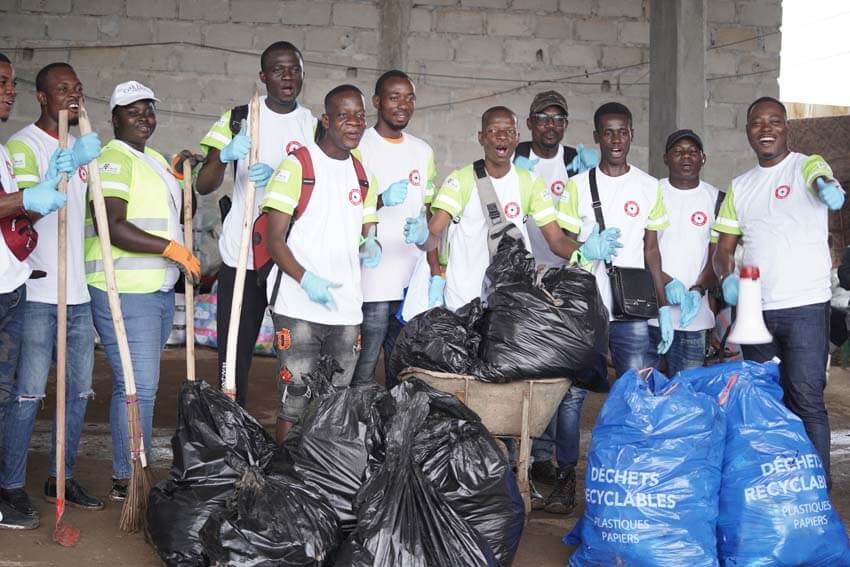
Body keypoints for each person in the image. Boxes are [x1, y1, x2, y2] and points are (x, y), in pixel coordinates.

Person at [713, 96, 842, 484]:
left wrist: (827, 186)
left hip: (805, 308)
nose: (765, 128)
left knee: (806, 400)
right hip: (756, 313)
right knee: (765, 403)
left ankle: (814, 491)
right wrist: (725, 279)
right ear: (748, 131)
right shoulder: (740, 186)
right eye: (757, 122)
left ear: (787, 127)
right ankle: (774, 488)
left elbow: (823, 180)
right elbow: (723, 249)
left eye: (774, 121)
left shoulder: (807, 165)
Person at [85, 81, 201, 500]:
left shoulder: (152, 159)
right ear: (114, 118)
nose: (144, 118)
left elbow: (183, 210)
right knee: (138, 386)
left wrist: (185, 178)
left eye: (149, 110)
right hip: (124, 290)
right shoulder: (112, 159)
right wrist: (171, 248)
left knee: (141, 384)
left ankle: (133, 470)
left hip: (156, 288)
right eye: (133, 111)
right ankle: (127, 476)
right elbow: (110, 225)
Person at [0, 62, 104, 525]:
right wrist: (60, 176)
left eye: (78, 88)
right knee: (26, 394)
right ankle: (12, 484)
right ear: (42, 97)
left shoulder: (81, 146)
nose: (73, 96)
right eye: (62, 89)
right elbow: (22, 215)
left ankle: (60, 477)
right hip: (39, 291)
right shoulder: (23, 145)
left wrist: (82, 162)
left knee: (79, 392)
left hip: (77, 293)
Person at [555, 101, 670, 513]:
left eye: (623, 132)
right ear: (597, 136)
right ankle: (565, 478)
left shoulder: (650, 186)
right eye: (608, 132)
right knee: (571, 397)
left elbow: (652, 250)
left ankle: (633, 482)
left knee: (637, 396)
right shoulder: (576, 186)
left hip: (634, 311)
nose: (616, 139)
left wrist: (664, 305)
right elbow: (562, 241)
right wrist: (585, 251)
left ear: (632, 135)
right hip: (585, 309)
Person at [403, 106, 620, 313]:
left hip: (509, 303)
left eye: (509, 131)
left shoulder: (531, 183)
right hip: (463, 299)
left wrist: (584, 251)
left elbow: (557, 241)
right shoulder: (461, 180)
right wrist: (422, 235)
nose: (501, 136)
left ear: (517, 137)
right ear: (481, 137)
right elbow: (432, 238)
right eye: (493, 130)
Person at [196, 41, 317, 407]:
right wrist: (226, 154)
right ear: (263, 76)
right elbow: (204, 183)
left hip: (289, 255)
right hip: (243, 254)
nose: (287, 77)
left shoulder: (312, 125)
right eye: (278, 70)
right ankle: (231, 429)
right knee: (234, 354)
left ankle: (292, 430)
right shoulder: (238, 118)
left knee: (297, 356)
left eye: (294, 69)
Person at [261, 84, 380, 443]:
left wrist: (369, 240)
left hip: (346, 310)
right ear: (326, 120)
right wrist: (306, 279)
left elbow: (366, 226)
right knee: (294, 402)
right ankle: (286, 481)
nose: (355, 123)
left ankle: (321, 482)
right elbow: (275, 241)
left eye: (360, 116)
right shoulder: (298, 165)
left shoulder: (363, 174)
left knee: (334, 406)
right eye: (344, 116)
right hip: (298, 307)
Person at [513, 90, 601, 502]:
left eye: (558, 118)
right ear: (529, 123)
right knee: (527, 368)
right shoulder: (513, 156)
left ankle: (547, 458)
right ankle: (526, 457)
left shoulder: (576, 163)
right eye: (542, 118)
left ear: (566, 124)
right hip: (521, 275)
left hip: (566, 274)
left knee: (559, 372)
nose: (551, 124)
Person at [0, 53, 68, 530]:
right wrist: (28, 197)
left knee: (4, 395)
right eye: (1, 83)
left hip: (10, 286)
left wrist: (41, 190)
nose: (9, 91)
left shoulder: (1, 149)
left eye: (10, 83)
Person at [350, 70, 437, 390]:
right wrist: (382, 199)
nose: (403, 104)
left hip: (409, 283)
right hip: (371, 280)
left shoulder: (423, 151)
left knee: (403, 371)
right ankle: (358, 435)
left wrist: (434, 268)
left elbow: (430, 212)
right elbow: (346, 203)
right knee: (364, 368)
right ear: (376, 102)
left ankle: (393, 436)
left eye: (409, 97)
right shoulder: (360, 147)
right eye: (394, 97)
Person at [646, 129, 720, 376]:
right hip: (652, 313)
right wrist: (666, 282)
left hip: (694, 319)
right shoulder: (650, 192)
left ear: (703, 158)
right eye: (677, 152)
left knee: (685, 392)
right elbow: (642, 249)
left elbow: (717, 256)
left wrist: (698, 290)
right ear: (665, 158)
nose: (686, 157)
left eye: (692, 152)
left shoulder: (716, 199)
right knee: (647, 390)